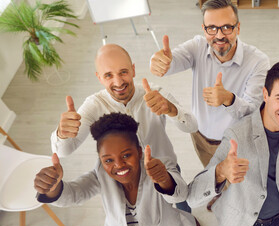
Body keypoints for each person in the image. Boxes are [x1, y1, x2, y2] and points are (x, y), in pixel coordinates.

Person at [50, 44, 196, 212]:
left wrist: (172, 109)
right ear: (99, 78)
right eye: (108, 75)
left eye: (123, 72)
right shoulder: (93, 106)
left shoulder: (155, 93)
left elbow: (192, 126)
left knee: (182, 203)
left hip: (166, 167)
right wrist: (62, 133)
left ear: (133, 70)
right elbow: (63, 151)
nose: (118, 82)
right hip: (126, 177)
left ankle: (188, 225)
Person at [187, 61, 279, 226]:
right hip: (254, 220)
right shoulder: (238, 135)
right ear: (265, 94)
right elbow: (192, 197)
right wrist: (220, 172)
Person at [35, 113, 201, 226]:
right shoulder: (100, 173)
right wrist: (53, 187)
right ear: (100, 159)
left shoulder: (158, 165)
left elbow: (181, 194)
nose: (119, 165)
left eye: (126, 155)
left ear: (139, 151)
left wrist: (164, 179)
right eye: (108, 159)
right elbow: (75, 194)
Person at [149, 0, 269, 169]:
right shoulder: (197, 46)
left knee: (236, 189)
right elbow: (170, 62)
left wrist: (229, 99)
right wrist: (157, 62)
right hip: (200, 137)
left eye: (227, 27)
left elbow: (253, 110)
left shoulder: (258, 61)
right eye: (212, 28)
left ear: (238, 28)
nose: (219, 35)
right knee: (212, 182)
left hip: (236, 144)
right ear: (204, 29)